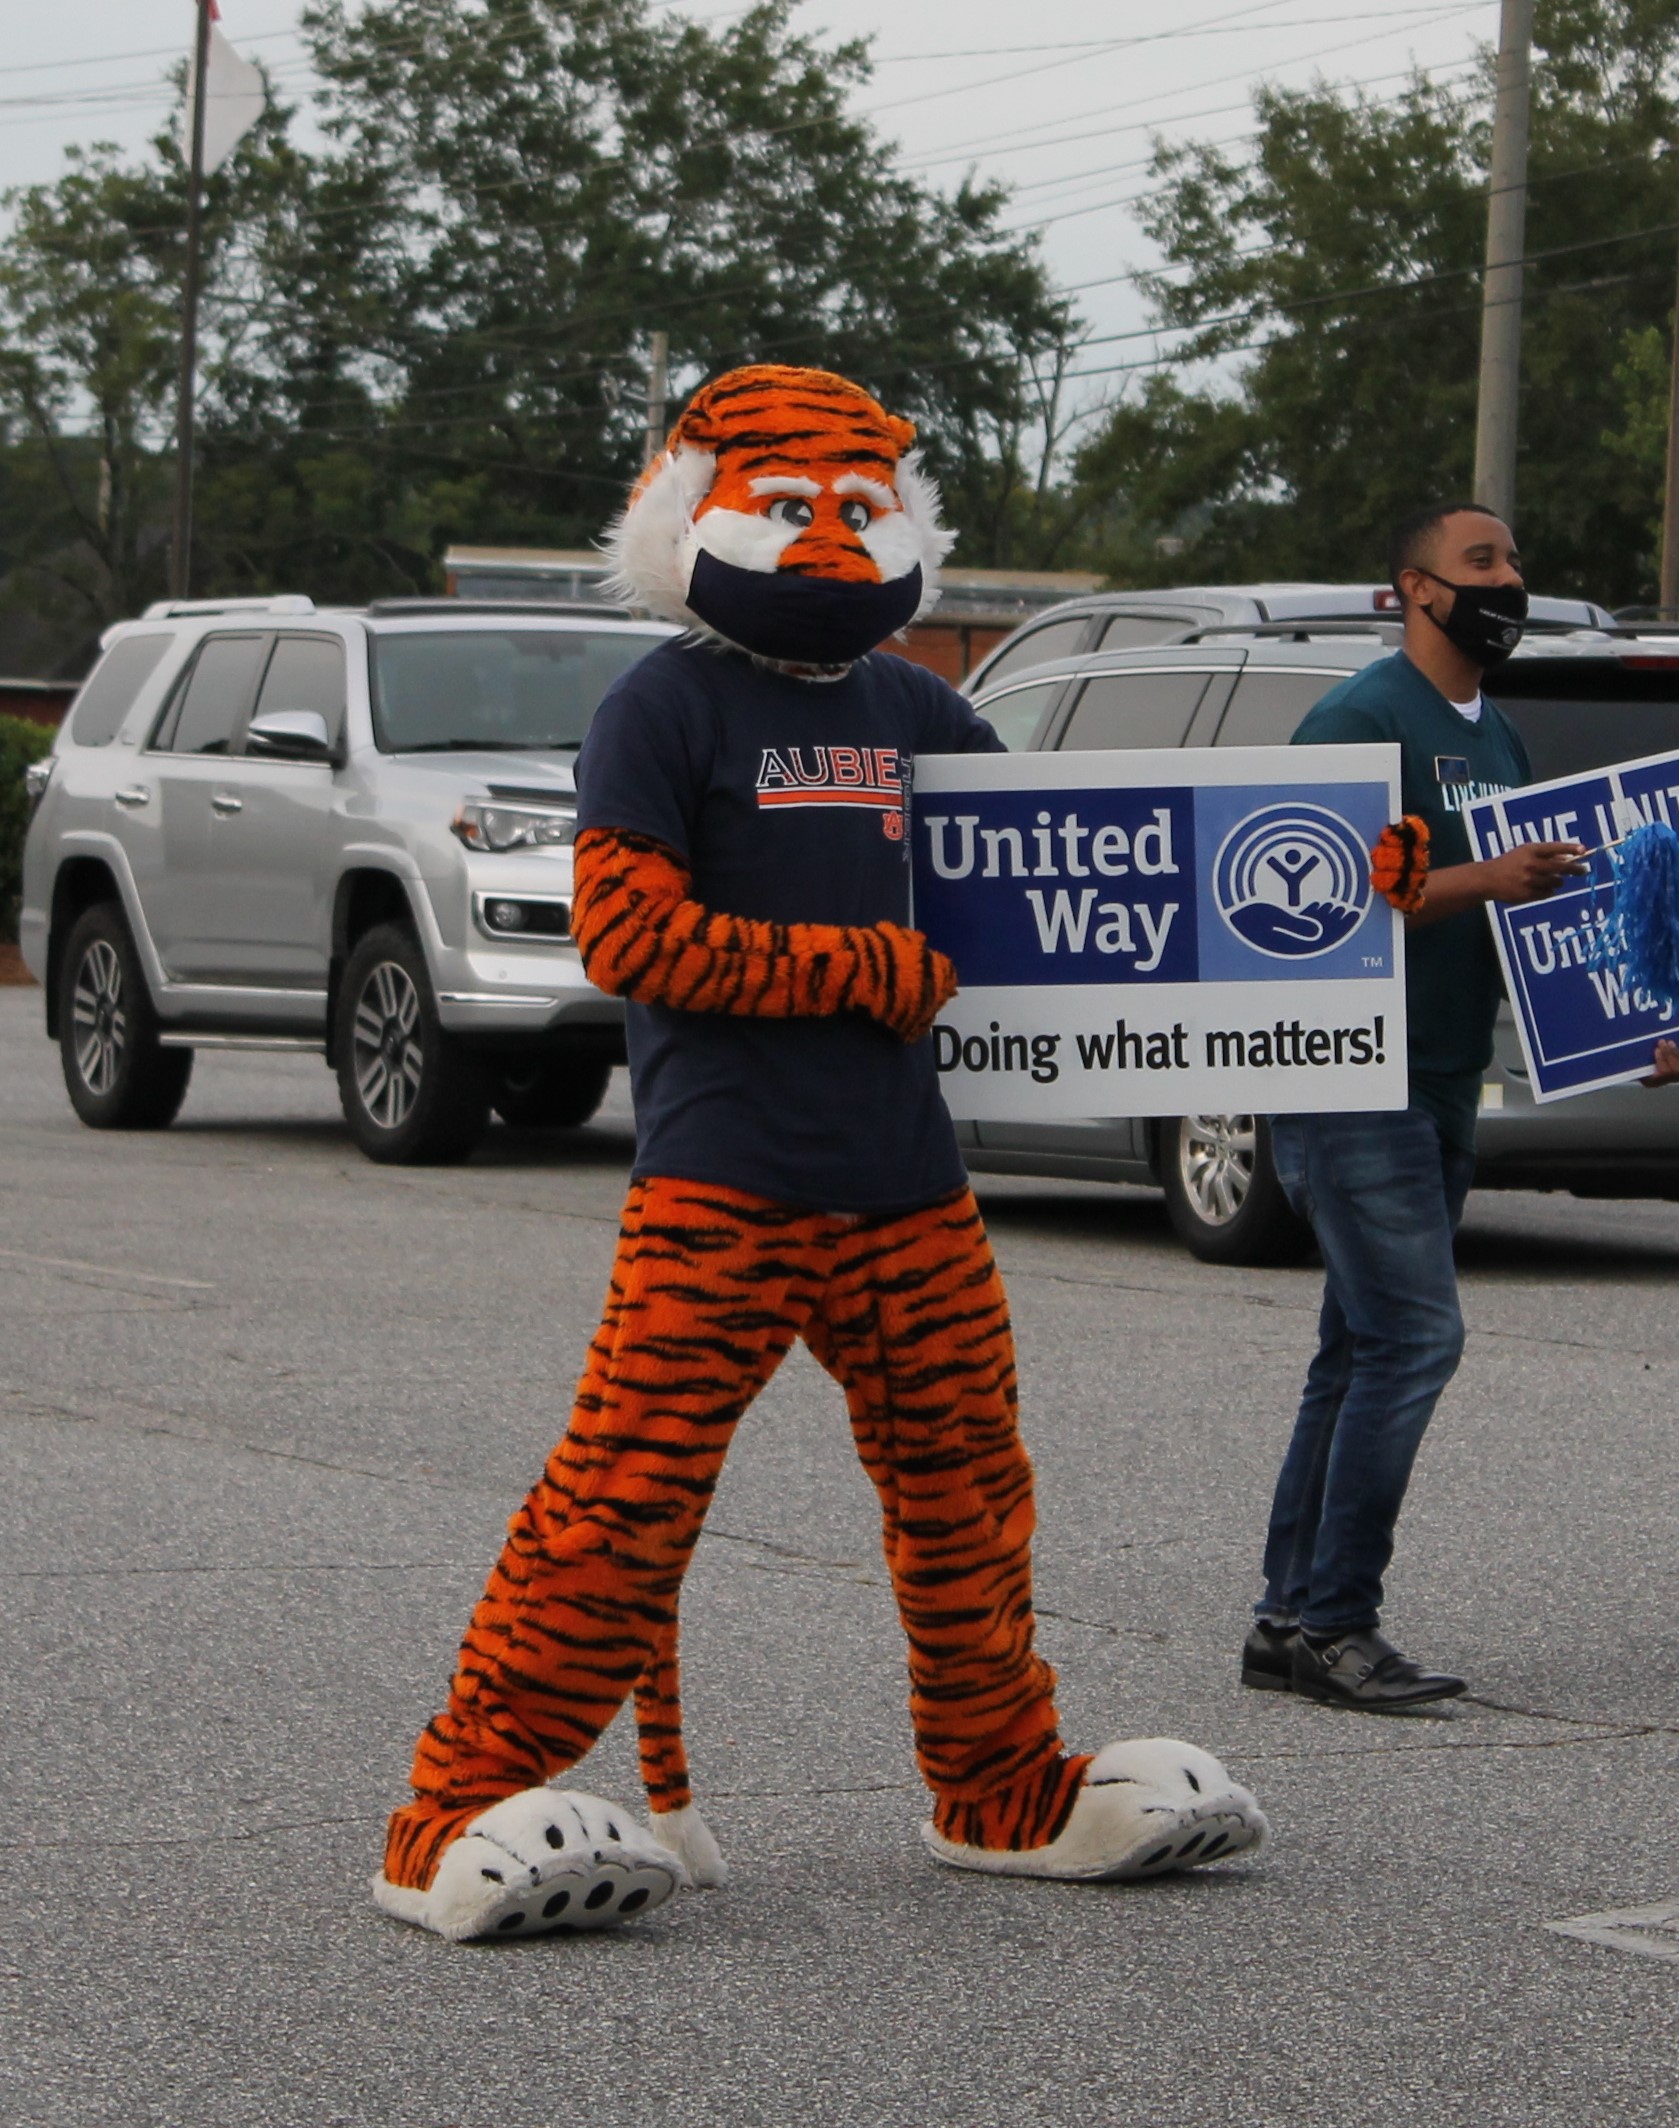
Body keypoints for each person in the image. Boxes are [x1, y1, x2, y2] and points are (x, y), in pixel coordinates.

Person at [372, 366, 1264, 1945]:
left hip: (909, 1188)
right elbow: (625, 930)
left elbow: (1086, 877)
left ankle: (998, 1786)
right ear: (691, 517)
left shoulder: (914, 707)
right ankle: (449, 1810)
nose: (837, 543)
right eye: (794, 509)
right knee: (620, 1507)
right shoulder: (665, 703)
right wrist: (853, 965)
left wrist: (1366, 896)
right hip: (722, 1188)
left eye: (861, 511)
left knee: (968, 1500)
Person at [1241, 502, 1679, 1712]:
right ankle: (1339, 1620)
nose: (1509, 579)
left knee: (1356, 1348)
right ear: (1413, 589)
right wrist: (1480, 876)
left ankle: (1288, 1619)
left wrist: (1630, 1025)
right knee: (1412, 1340)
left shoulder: (1493, 733)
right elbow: (1309, 900)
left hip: (1440, 1076)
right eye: (1480, 562)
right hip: (1349, 1079)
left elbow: (1534, 913)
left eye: (1513, 560)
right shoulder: (1357, 718)